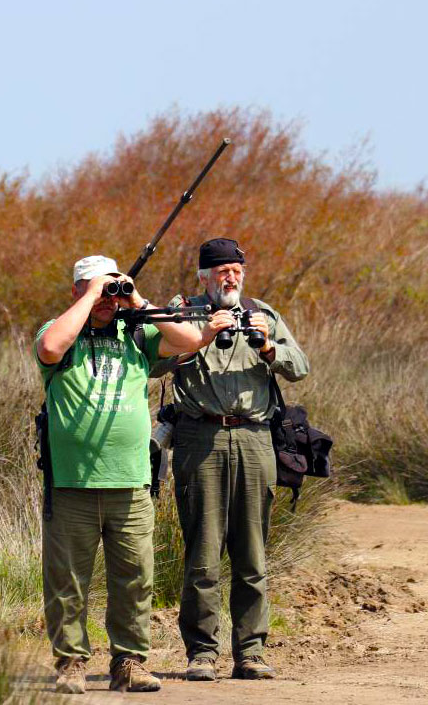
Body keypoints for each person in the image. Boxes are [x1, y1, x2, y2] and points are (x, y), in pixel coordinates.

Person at [35, 255, 228, 695]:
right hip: (71, 483)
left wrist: (135, 298)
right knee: (67, 581)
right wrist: (92, 296)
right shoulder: (59, 329)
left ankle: (130, 660)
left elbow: (191, 341)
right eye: (93, 288)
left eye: (111, 289)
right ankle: (70, 663)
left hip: (132, 480)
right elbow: (50, 349)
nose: (107, 299)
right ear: (76, 291)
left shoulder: (137, 331)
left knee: (136, 578)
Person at [159, 237, 309, 681]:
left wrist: (267, 347)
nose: (231, 277)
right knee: (202, 552)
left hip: (253, 438)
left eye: (236, 270)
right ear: (203, 276)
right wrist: (200, 334)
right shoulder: (182, 311)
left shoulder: (263, 313)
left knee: (252, 551)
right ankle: (201, 653)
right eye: (222, 271)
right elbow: (153, 363)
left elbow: (299, 366)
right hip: (199, 438)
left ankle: (251, 652)